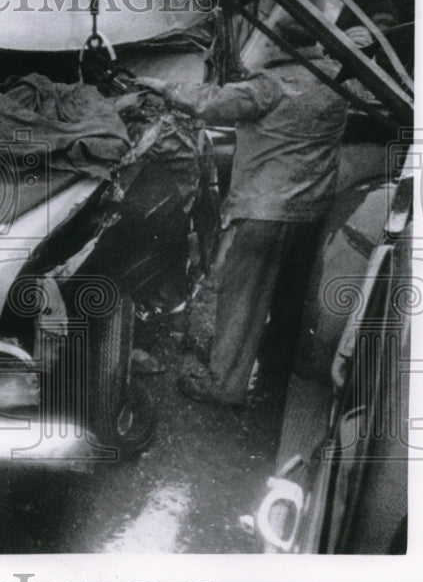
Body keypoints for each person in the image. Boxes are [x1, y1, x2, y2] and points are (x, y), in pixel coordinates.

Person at [130, 29, 350, 406]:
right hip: (313, 210)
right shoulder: (336, 80)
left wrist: (159, 86)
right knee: (289, 303)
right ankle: (273, 380)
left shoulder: (271, 86)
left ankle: (224, 385)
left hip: (263, 212)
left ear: (280, 47)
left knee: (242, 302)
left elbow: (209, 103)